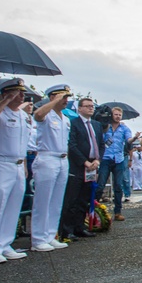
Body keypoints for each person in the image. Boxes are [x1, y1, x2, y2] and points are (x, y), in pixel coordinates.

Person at [0, 79, 34, 264]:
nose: (22, 96)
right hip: (0, 163)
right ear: (7, 94)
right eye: (17, 93)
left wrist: (25, 166)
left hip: (18, 165)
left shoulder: (23, 115)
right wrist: (5, 100)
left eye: (22, 93)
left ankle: (5, 244)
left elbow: (23, 143)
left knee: (13, 206)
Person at [29, 84, 73, 252]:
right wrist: (52, 102)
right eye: (62, 98)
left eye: (66, 98)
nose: (65, 101)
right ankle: (38, 239)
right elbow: (38, 114)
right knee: (43, 200)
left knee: (56, 200)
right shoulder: (46, 114)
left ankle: (50, 235)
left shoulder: (65, 118)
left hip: (62, 158)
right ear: (53, 97)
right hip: (47, 157)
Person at [60, 97, 102, 240]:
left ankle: (80, 227)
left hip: (92, 165)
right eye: (87, 106)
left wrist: (97, 160)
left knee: (84, 198)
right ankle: (67, 229)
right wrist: (84, 162)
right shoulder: (73, 124)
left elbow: (100, 145)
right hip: (78, 165)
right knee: (73, 198)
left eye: (92, 106)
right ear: (80, 108)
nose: (91, 108)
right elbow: (72, 145)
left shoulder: (97, 125)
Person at [98, 107, 139, 222]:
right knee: (100, 184)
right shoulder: (105, 126)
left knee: (118, 186)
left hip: (119, 159)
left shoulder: (124, 128)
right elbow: (99, 139)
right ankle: (94, 210)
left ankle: (118, 212)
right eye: (115, 114)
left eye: (119, 115)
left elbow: (128, 140)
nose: (117, 116)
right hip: (106, 158)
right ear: (111, 115)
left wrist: (135, 138)